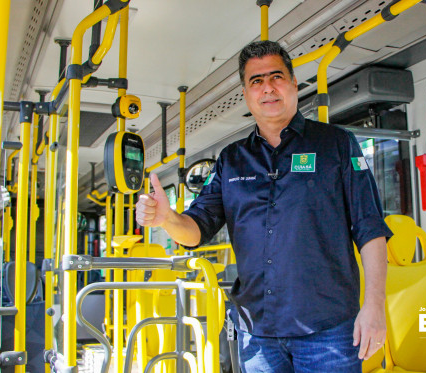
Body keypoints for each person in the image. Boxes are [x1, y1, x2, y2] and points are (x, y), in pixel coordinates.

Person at [136, 40, 392, 372]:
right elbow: (196, 229)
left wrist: (374, 306)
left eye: (276, 77)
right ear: (246, 93)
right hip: (256, 334)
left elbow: (369, 227)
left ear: (294, 85)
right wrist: (168, 218)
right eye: (256, 81)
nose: (267, 88)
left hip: (326, 330)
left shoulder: (336, 145)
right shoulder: (231, 160)